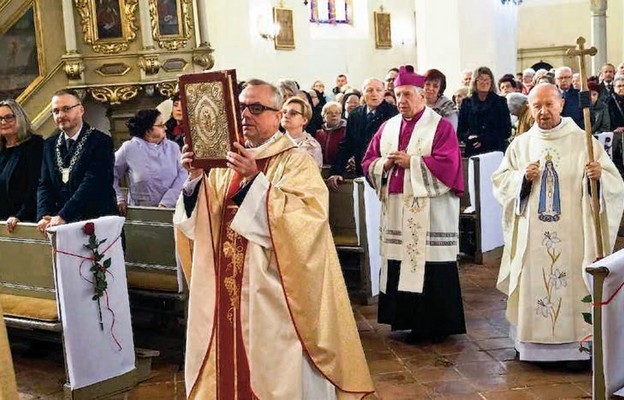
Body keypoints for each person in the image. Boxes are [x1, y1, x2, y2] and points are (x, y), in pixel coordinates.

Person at [174, 79, 373, 399]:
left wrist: (256, 180)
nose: (245, 115)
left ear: (278, 113)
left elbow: (308, 222)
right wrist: (195, 179)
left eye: (256, 108)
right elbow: (203, 224)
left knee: (275, 373)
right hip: (227, 291)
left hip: (275, 295)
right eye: (240, 107)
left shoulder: (295, 161)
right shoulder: (225, 163)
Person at [492, 83, 624, 362]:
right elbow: (501, 181)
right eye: (537, 105)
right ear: (529, 107)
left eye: (549, 104)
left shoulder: (583, 140)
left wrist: (598, 178)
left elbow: (615, 186)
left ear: (562, 104)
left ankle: (577, 348)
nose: (543, 111)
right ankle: (532, 348)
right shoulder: (521, 144)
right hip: (533, 236)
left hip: (573, 234)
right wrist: (521, 179)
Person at [361, 65, 466, 343]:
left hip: (429, 212)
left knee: (429, 264)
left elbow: (449, 165)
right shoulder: (387, 127)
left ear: (422, 95)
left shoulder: (440, 126)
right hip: (396, 209)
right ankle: (404, 318)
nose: (401, 101)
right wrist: (385, 163)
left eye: (407, 94)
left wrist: (413, 163)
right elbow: (368, 161)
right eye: (397, 95)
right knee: (399, 260)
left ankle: (435, 325)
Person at [37, 89, 117, 231]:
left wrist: (64, 215)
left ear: (80, 110)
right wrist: (44, 215)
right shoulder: (49, 144)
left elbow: (93, 183)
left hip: (96, 222)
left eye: (66, 109)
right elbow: (45, 184)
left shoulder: (100, 141)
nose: (61, 115)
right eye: (55, 111)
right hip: (61, 225)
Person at [327, 78, 398, 189]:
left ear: (384, 92)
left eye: (378, 90)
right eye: (369, 90)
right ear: (363, 93)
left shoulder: (394, 114)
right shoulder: (355, 115)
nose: (374, 94)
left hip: (387, 175)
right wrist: (336, 171)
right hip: (363, 173)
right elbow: (347, 145)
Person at [113, 109, 187, 215]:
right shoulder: (129, 148)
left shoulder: (173, 147)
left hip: (173, 209)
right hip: (141, 213)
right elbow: (109, 173)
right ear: (148, 131)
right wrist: (119, 198)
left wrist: (166, 202)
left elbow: (182, 176)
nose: (165, 128)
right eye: (161, 125)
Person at [0, 99, 43, 232]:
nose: (3, 122)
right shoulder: (2, 149)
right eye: (0, 118)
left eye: (8, 117)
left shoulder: (35, 145)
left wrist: (20, 215)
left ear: (19, 118)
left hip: (24, 222)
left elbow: (36, 186)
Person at [457, 66, 512, 156]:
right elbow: (460, 131)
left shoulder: (500, 102)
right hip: (473, 150)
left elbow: (506, 131)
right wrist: (470, 138)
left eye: (487, 79)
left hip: (495, 149)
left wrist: (483, 139)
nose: (484, 82)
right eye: (481, 79)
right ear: (475, 81)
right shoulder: (466, 103)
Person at [281, 96, 323, 168]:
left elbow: (310, 175)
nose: (286, 116)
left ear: (304, 120)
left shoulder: (311, 146)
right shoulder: (274, 141)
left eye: (293, 113)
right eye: (284, 112)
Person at [315, 101, 346, 165]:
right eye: (329, 113)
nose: (334, 115)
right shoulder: (318, 134)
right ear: (323, 117)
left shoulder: (346, 132)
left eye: (337, 113)